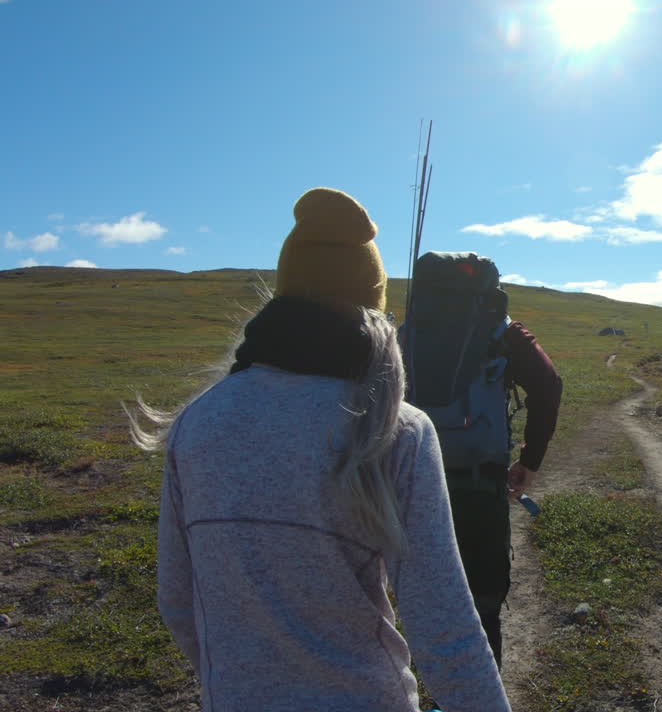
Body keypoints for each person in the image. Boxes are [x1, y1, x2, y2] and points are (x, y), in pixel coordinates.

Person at [128, 188, 510, 712]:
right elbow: (444, 627)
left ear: (282, 297)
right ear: (372, 308)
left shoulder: (197, 421)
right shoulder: (396, 429)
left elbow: (177, 600)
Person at [402, 253, 562, 668]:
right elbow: (549, 383)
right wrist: (530, 459)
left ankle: (432, 687)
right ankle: (479, 692)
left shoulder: (406, 329)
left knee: (424, 593)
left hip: (410, 480)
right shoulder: (503, 331)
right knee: (483, 598)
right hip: (480, 479)